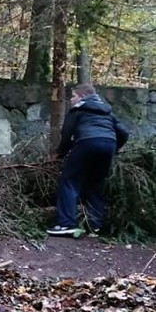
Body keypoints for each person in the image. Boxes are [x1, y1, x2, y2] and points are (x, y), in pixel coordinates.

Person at [47, 83, 130, 236]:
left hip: (87, 142)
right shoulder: (107, 112)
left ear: (82, 97)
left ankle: (66, 224)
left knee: (69, 181)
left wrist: (60, 153)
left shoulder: (77, 110)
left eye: (73, 96)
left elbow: (66, 134)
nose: (71, 100)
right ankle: (95, 226)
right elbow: (124, 132)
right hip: (108, 145)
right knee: (96, 184)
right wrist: (115, 148)